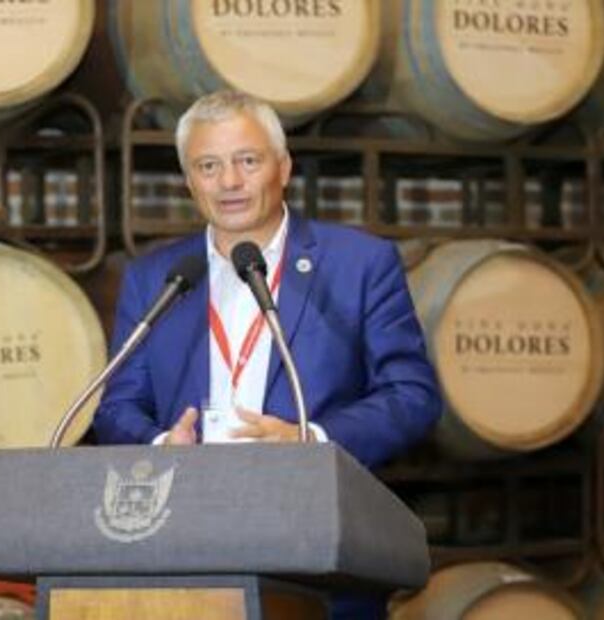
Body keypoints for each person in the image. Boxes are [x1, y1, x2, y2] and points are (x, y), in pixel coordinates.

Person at [90, 90, 442, 619]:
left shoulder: (358, 264)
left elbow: (412, 396)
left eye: (247, 161)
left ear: (283, 167)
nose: (229, 182)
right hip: (185, 548)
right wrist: (162, 445)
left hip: (320, 552)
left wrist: (313, 440)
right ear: (189, 181)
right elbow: (117, 406)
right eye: (208, 166)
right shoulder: (157, 276)